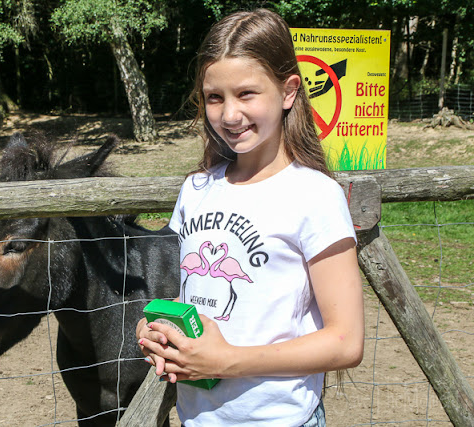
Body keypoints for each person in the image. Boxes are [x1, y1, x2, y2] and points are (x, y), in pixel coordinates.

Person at [136, 8, 364, 427]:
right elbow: (192, 298)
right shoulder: (196, 189)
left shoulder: (315, 197)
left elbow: (346, 342)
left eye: (247, 94)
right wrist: (157, 330)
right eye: (214, 97)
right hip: (196, 419)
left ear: (289, 91)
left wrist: (227, 361)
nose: (229, 115)